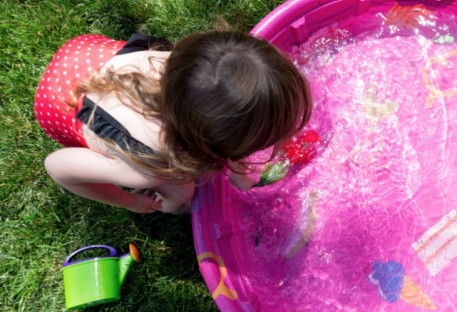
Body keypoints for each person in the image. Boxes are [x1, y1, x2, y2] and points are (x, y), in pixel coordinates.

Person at [36, 31, 312, 213]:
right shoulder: (147, 163)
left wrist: (237, 166)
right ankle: (173, 203)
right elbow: (56, 166)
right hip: (60, 105)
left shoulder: (193, 71)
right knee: (180, 191)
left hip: (88, 53)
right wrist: (131, 201)